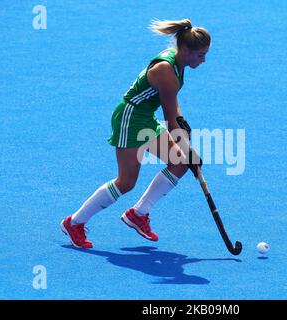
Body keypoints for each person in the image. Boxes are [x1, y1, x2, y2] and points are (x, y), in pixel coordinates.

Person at [60, 19, 211, 248]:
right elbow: (171, 120)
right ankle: (74, 222)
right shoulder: (166, 71)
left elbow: (175, 110)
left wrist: (187, 149)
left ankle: (138, 214)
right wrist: (188, 151)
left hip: (144, 118)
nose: (203, 60)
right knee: (126, 181)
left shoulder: (178, 63)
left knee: (179, 164)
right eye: (200, 55)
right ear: (186, 50)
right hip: (129, 119)